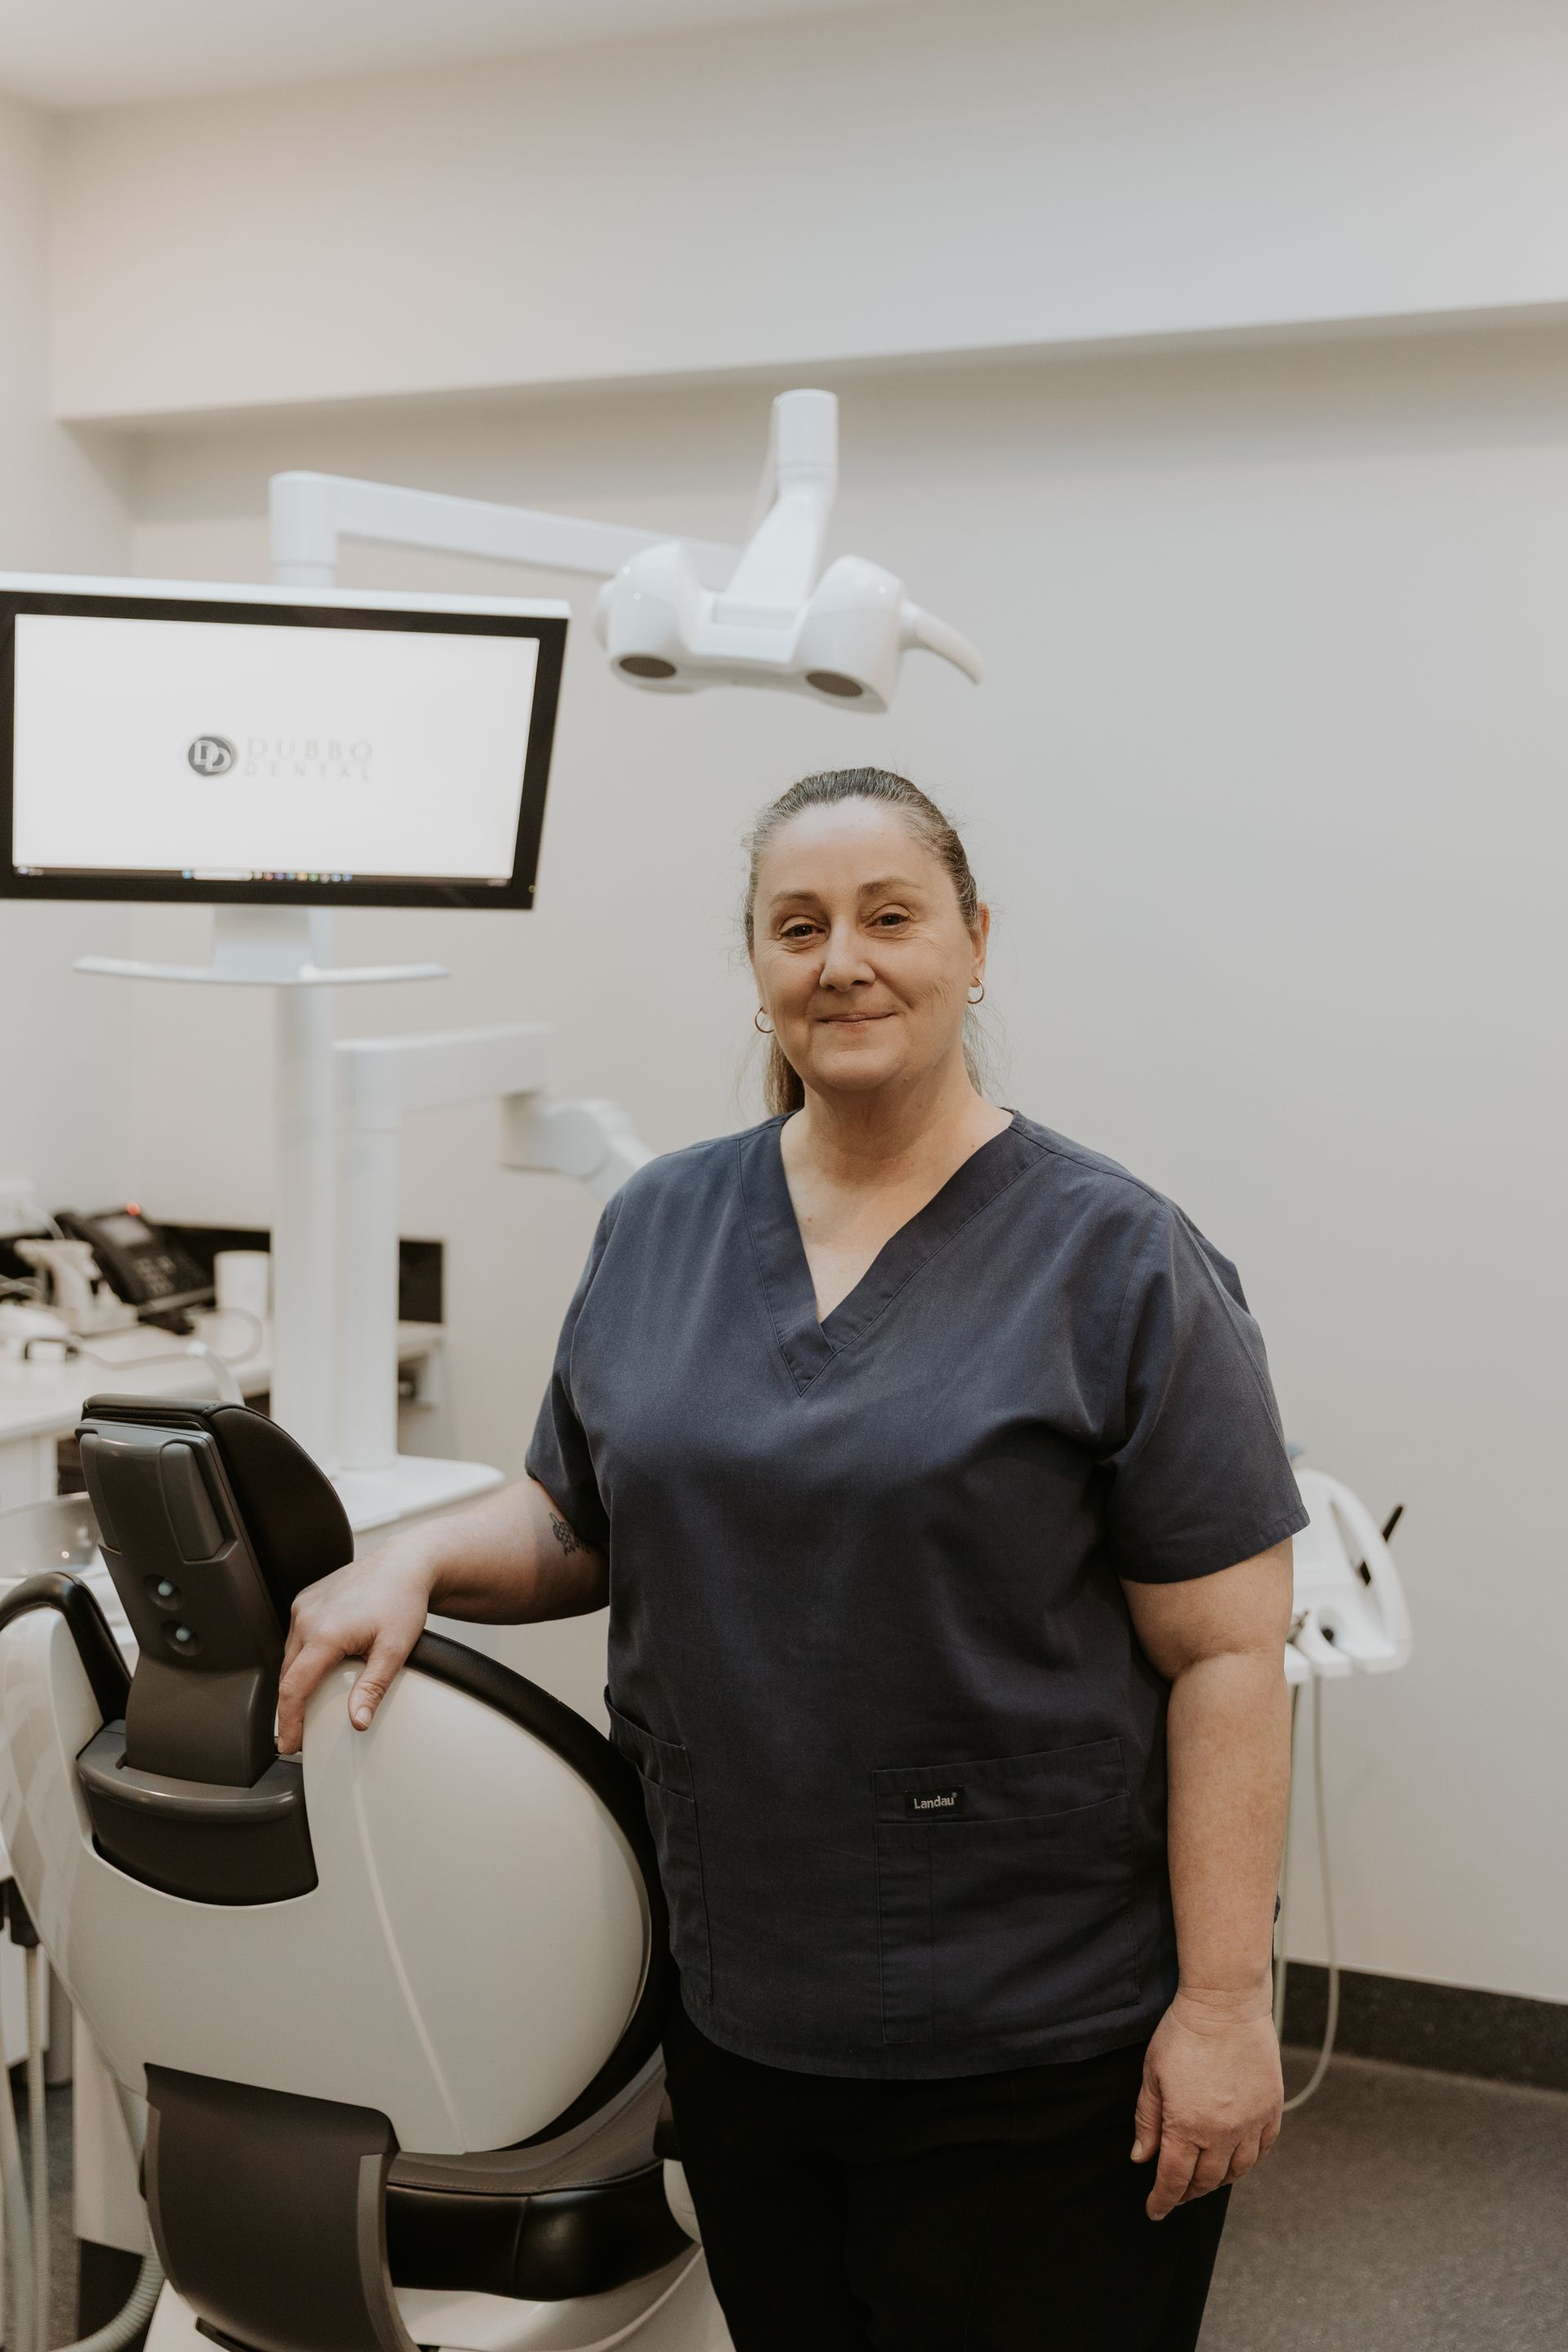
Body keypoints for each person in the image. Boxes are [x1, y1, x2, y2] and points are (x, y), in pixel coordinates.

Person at [278, 766, 1305, 2352]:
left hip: (1036, 2036)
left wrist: (1228, 2008)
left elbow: (1229, 1652)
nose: (845, 960)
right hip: (742, 2007)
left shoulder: (1116, 1256)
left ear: (975, 941)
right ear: (756, 963)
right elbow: (578, 1515)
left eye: (890, 917)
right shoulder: (663, 1223)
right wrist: (409, 1561)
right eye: (798, 925)